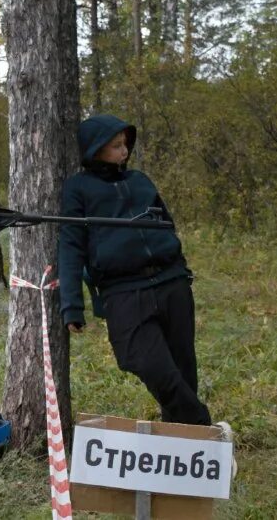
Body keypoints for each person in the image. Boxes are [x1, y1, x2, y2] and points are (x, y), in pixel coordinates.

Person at [58, 113, 212, 426]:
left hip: (172, 284)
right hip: (123, 292)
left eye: (125, 144)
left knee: (184, 370)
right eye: (115, 145)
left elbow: (166, 221)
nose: (124, 151)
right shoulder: (78, 189)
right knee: (150, 364)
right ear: (95, 149)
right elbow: (71, 245)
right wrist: (71, 305)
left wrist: (178, 264)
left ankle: (182, 451)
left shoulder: (140, 181)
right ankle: (205, 434)